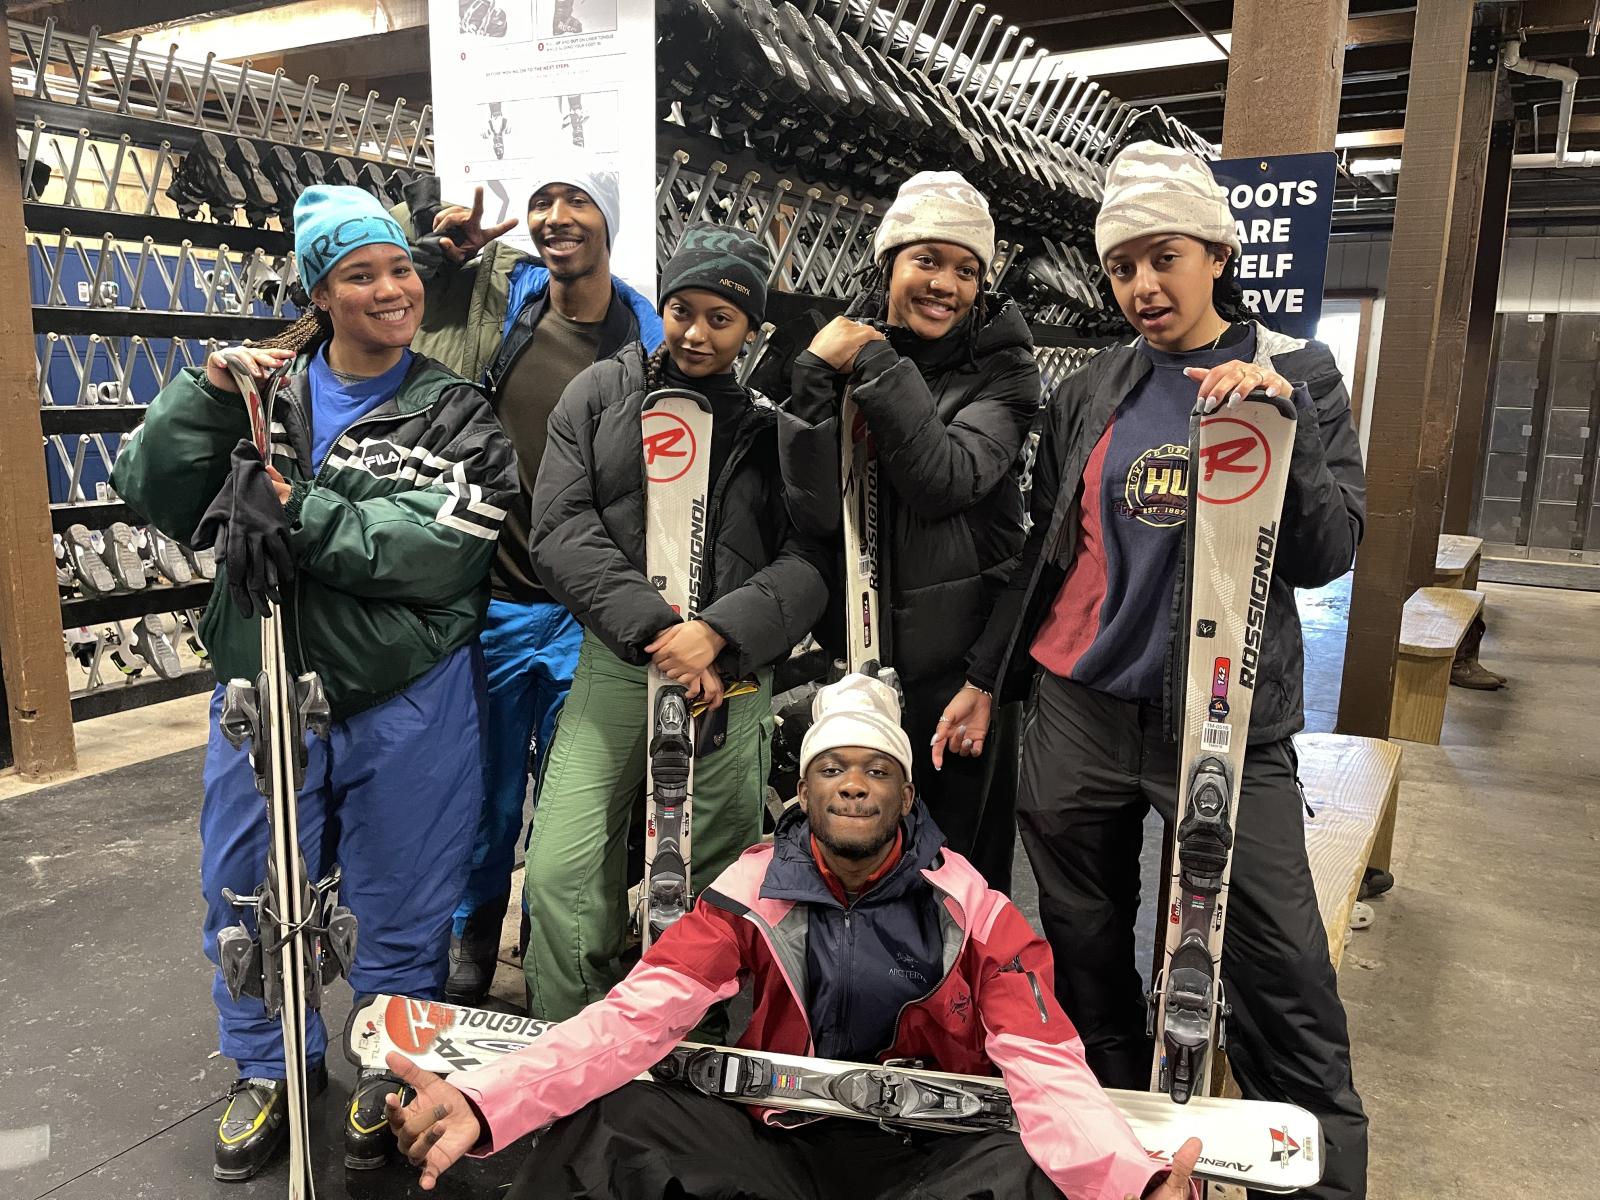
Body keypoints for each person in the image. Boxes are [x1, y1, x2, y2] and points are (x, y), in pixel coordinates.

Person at [933, 141, 1369, 1199]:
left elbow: (1326, 552)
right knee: (1082, 945)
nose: (1140, 287)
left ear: (1217, 253)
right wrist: (989, 677)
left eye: (1162, 258)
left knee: (1279, 969)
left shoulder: (1299, 370)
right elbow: (1053, 548)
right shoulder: (1096, 387)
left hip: (1219, 721)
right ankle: (1122, 1158)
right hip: (1079, 706)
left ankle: (1319, 1176)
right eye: (1121, 267)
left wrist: (1282, 428)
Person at [379, 673, 1202, 1200]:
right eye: (832, 768)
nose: (854, 783)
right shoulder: (748, 893)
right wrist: (488, 1101)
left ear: (907, 796)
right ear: (803, 790)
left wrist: (1133, 1183)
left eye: (877, 770)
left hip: (927, 1160)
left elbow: (1048, 1065)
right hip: (781, 1147)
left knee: (1044, 1169)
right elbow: (634, 1019)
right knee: (611, 1118)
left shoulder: (977, 910)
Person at [109, 185, 516, 1179]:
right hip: (264, 686)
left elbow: (441, 551)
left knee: (404, 893)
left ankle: (390, 1061)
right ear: (319, 292)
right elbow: (153, 490)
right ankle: (268, 1068)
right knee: (244, 887)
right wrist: (201, 400)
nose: (392, 290)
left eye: (400, 270)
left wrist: (302, 512)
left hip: (407, 693)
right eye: (360, 274)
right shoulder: (261, 394)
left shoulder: (454, 411)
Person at [516, 222, 828, 1025]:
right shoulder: (597, 396)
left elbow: (810, 561)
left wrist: (717, 634)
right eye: (683, 309)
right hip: (619, 669)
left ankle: (700, 1049)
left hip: (730, 681)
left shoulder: (771, 429)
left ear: (749, 331)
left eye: (720, 319)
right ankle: (574, 1041)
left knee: (716, 883)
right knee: (560, 869)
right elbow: (560, 527)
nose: (695, 332)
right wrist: (662, 630)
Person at [396, 163, 665, 1005]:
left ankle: (562, 948)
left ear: (608, 221)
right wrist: (433, 252)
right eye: (544, 202)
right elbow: (404, 309)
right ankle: (473, 934)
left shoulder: (647, 341)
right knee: (487, 794)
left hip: (593, 614)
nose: (556, 217)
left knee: (583, 804)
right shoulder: (502, 315)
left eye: (576, 200)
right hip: (502, 603)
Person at [777, 170, 1040, 891]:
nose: (945, 285)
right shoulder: (835, 356)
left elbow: (944, 479)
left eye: (966, 270)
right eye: (926, 260)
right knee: (856, 851)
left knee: (955, 866)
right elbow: (814, 513)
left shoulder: (1006, 374)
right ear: (887, 263)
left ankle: (959, 1000)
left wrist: (872, 361)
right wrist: (809, 386)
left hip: (958, 674)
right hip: (858, 660)